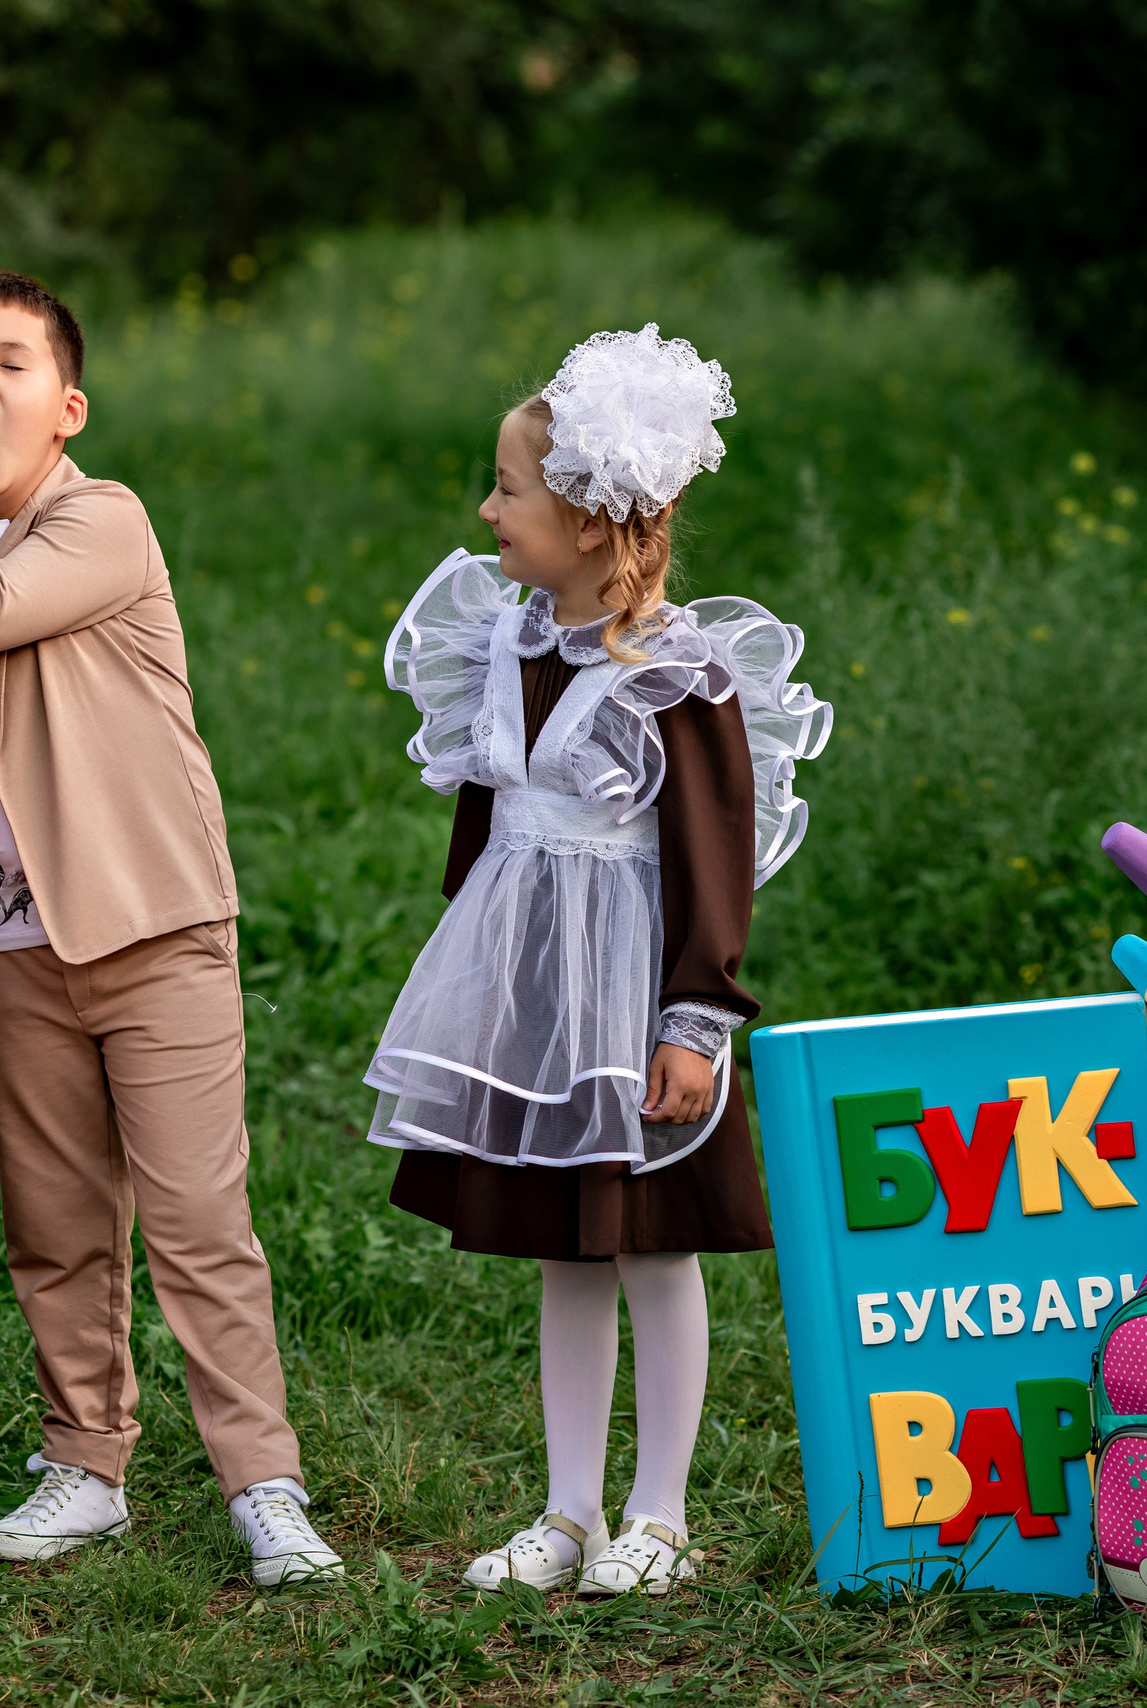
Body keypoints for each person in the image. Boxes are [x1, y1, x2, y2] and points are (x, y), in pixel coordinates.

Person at [0, 269, 339, 1587]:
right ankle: (86, 1466)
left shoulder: (101, 520)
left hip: (150, 924)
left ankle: (264, 1485)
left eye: (11, 363)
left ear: (67, 409)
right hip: (9, 941)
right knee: (56, 1223)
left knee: (197, 1221)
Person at [367, 325, 830, 1595]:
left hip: (635, 994)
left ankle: (659, 1515)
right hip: (536, 994)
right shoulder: (506, 641)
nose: (486, 510)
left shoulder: (679, 675)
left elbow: (713, 854)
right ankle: (567, 1511)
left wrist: (695, 1018)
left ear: (582, 521)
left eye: (506, 488)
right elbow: (485, 825)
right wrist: (485, 988)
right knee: (563, 1245)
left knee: (649, 1246)